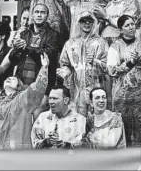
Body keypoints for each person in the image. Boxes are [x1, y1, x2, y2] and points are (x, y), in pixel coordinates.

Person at [58, 11, 108, 117]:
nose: (87, 23)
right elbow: (64, 63)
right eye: (83, 21)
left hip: (95, 89)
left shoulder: (100, 42)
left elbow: (108, 67)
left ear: (94, 23)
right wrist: (66, 70)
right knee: (76, 121)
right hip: (75, 91)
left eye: (90, 21)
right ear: (78, 23)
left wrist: (96, 61)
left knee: (95, 120)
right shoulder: (70, 43)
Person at [107, 15, 141, 147]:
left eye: (133, 24)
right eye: (127, 25)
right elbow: (112, 71)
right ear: (120, 30)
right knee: (123, 131)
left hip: (139, 97)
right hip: (122, 97)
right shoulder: (115, 47)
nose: (131, 27)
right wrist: (130, 62)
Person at [31, 85, 86, 149]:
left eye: (55, 98)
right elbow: (34, 142)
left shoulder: (80, 120)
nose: (51, 102)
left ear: (66, 100)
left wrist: (63, 144)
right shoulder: (42, 117)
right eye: (50, 98)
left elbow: (82, 147)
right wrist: (46, 142)